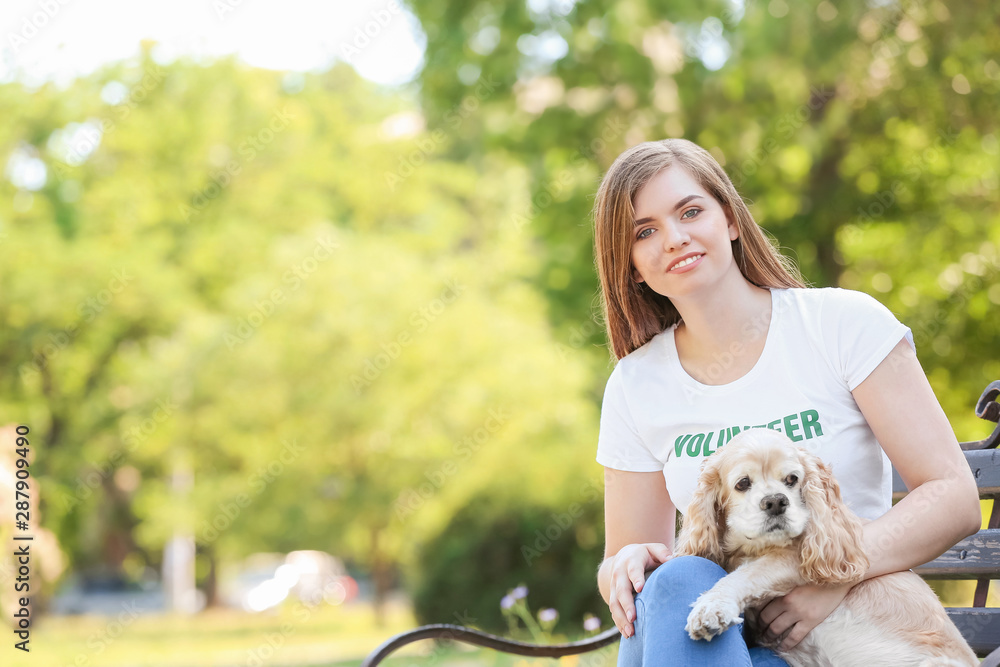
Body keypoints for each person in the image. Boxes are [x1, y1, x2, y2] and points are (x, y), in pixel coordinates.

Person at [591, 138, 981, 666]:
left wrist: (828, 577)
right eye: (645, 231)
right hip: (734, 639)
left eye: (690, 211)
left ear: (730, 219)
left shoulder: (841, 325)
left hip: (851, 633)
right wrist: (622, 565)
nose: (676, 238)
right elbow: (634, 564)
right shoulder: (636, 384)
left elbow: (954, 496)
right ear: (632, 264)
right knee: (676, 578)